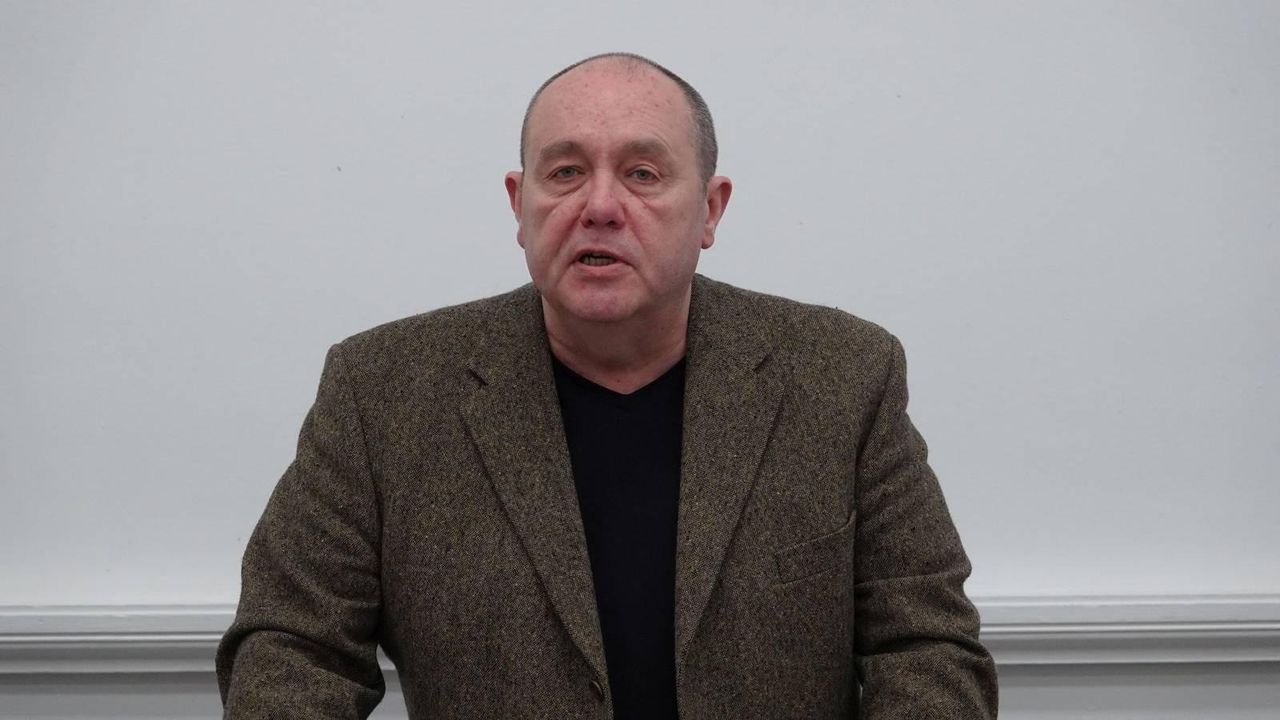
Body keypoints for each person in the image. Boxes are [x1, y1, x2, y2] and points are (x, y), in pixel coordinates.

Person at [216, 52, 999, 719]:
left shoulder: (843, 375)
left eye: (642, 174)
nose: (598, 207)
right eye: (565, 173)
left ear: (710, 210)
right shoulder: (382, 389)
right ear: (520, 205)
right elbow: (292, 646)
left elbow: (925, 646)